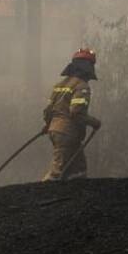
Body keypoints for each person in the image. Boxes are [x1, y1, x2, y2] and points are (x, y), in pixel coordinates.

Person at [42, 48, 101, 181]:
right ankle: (42, 190)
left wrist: (48, 125)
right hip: (67, 132)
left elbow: (48, 111)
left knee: (78, 169)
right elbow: (76, 113)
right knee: (56, 172)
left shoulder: (59, 85)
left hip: (57, 131)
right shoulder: (81, 86)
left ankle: (76, 192)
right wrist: (94, 122)